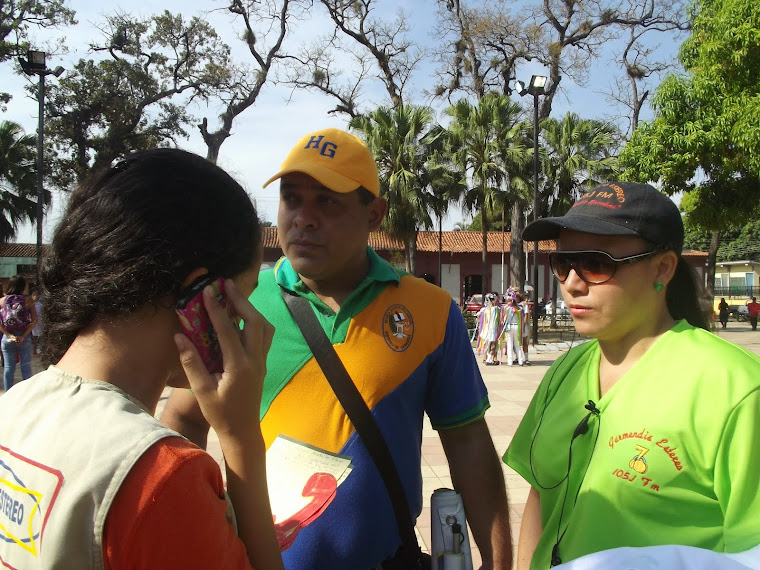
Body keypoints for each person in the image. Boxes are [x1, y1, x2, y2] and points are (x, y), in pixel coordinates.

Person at [162, 128, 513, 569]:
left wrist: (498, 562)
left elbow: (468, 446)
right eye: (292, 199)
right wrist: (199, 526)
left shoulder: (431, 310)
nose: (304, 218)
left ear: (375, 214)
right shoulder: (241, 301)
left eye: (327, 201)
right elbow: (182, 417)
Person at [0, 149, 283, 569]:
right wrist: (241, 438)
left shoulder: (13, 407)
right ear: (203, 295)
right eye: (244, 293)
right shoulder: (162, 476)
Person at [502, 182, 760, 570]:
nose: (572, 283)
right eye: (562, 263)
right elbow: (541, 499)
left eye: (597, 263)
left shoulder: (734, 388)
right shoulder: (564, 373)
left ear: (662, 268)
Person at [0, 274, 38, 391]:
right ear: (23, 286)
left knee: (8, 369)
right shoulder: (28, 300)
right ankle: (25, 396)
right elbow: (34, 320)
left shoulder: (1, 301)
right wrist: (23, 336)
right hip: (24, 337)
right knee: (26, 368)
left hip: (7, 338)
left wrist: (8, 334)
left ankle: (7, 395)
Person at [31, 287, 43, 354]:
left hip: (40, 323)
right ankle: (34, 351)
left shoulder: (40, 305)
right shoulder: (31, 304)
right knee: (34, 338)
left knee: (40, 338)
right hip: (34, 324)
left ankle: (40, 351)